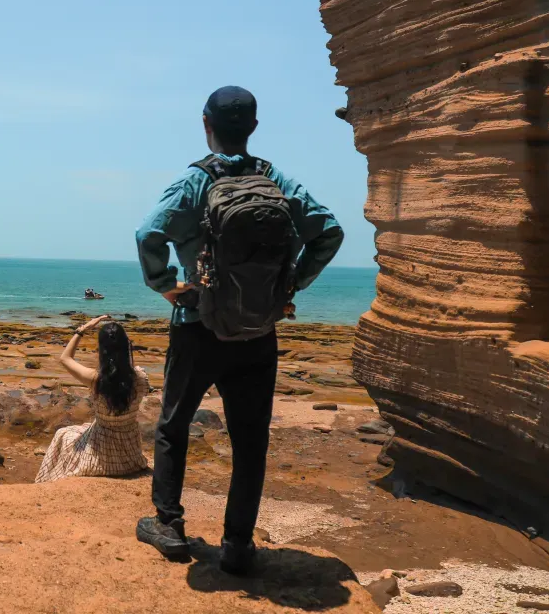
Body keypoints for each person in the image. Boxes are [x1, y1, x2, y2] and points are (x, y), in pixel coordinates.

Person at [134, 86, 343, 574]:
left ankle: (169, 526)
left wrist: (167, 286)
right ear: (253, 127)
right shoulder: (276, 179)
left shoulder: (195, 182)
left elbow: (148, 234)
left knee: (173, 426)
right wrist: (291, 286)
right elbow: (329, 232)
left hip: (198, 324)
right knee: (250, 441)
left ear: (206, 124)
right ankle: (237, 544)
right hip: (258, 333)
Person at [35, 315, 149, 483]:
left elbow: (64, 358)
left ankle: (46, 483)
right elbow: (124, 372)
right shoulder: (140, 377)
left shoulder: (95, 379)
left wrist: (82, 330)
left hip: (101, 452)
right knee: (79, 430)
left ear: (101, 349)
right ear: (126, 346)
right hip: (130, 456)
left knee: (63, 434)